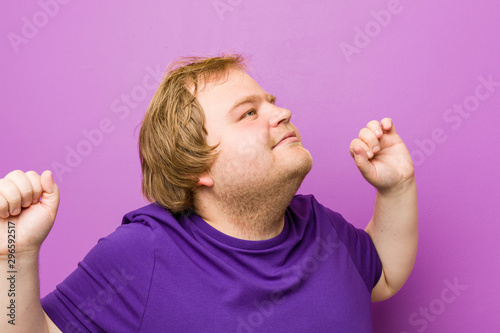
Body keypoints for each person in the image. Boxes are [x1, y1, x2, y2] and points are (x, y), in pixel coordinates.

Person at [0, 54, 418, 332]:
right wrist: (13, 253)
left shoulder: (320, 225)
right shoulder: (142, 252)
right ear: (197, 165)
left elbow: (383, 276)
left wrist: (397, 187)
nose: (282, 112)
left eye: (271, 102)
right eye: (249, 112)